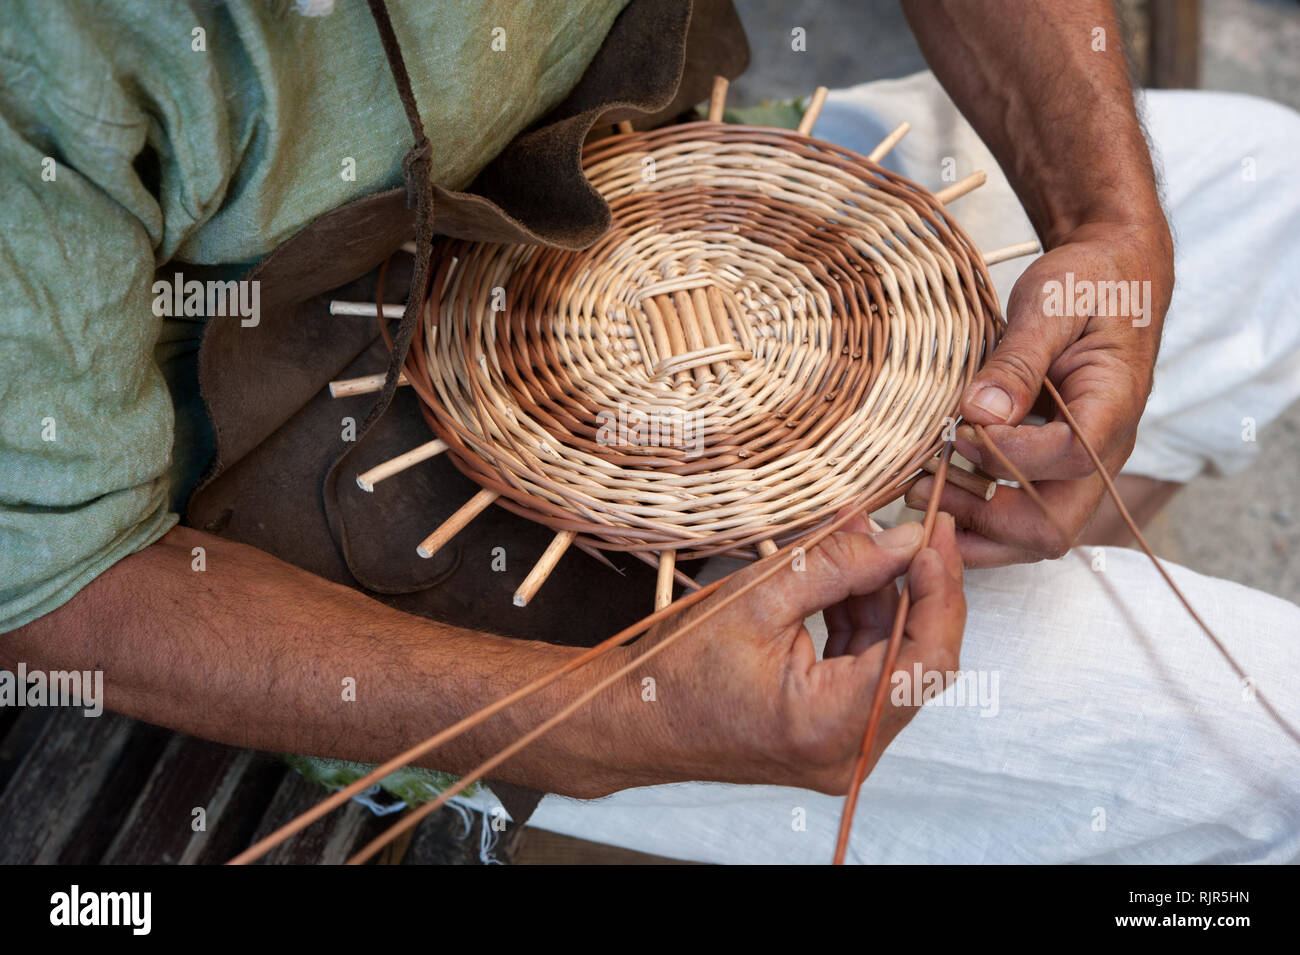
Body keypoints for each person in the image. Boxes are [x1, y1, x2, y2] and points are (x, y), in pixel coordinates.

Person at [1, 1, 1297, 864]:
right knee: (1265, 738)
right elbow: (49, 590)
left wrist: (1105, 219)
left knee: (1271, 188)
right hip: (340, 501)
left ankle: (1001, 618)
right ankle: (608, 814)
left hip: (644, 198)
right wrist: (616, 716)